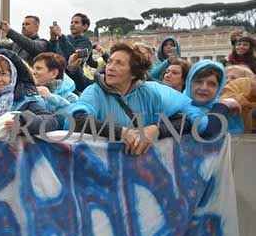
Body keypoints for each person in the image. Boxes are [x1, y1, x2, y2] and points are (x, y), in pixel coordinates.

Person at [66, 42, 231, 155]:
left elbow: (186, 120)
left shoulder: (150, 92)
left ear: (133, 73)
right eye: (110, 62)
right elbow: (77, 120)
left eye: (119, 64)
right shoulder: (94, 91)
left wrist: (157, 130)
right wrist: (122, 132)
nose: (110, 68)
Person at [183, 60, 244, 134]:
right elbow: (205, 129)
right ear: (189, 83)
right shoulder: (179, 105)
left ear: (219, 88)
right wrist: (222, 105)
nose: (204, 88)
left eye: (211, 84)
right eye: (198, 82)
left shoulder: (229, 110)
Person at [31, 52, 79, 117]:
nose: (33, 72)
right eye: (33, 68)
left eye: (39, 68)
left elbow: (72, 118)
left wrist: (50, 98)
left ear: (54, 73)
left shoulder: (71, 98)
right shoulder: (28, 92)